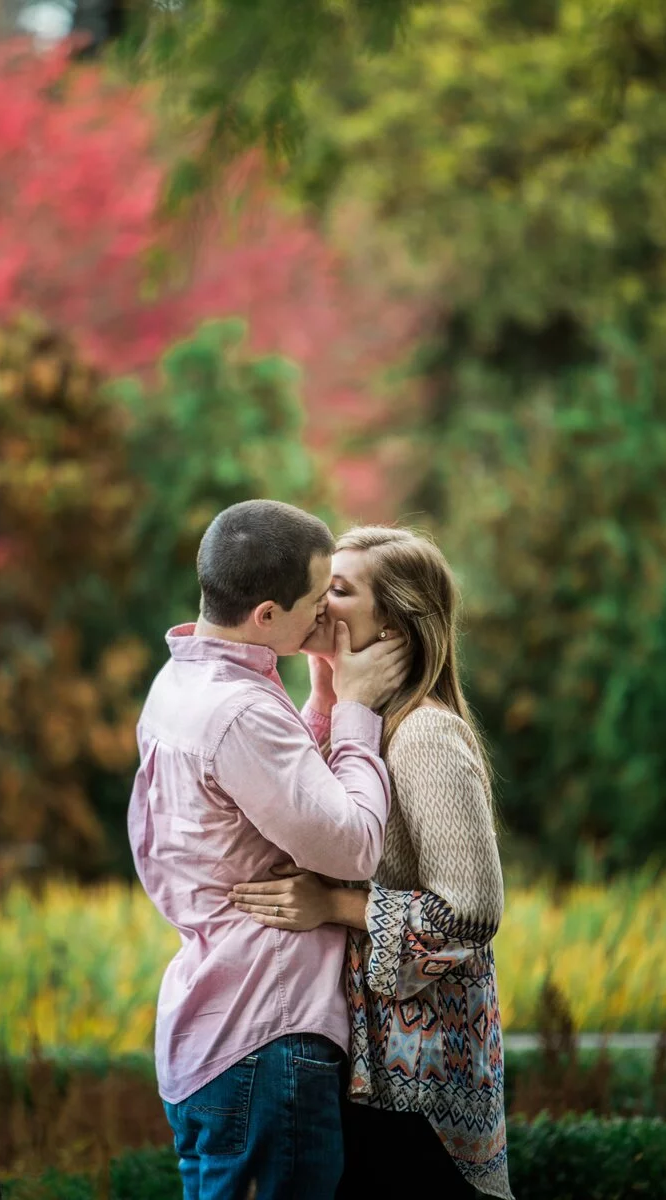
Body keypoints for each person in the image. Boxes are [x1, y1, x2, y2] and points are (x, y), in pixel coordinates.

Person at [127, 501, 410, 1200]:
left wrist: (317, 700)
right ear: (264, 615)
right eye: (316, 603)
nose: (325, 619)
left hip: (217, 1030)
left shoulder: (182, 686)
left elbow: (284, 799)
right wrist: (355, 710)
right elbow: (353, 844)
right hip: (265, 1036)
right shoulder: (240, 713)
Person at [230, 526, 513, 1199]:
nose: (319, 603)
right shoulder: (362, 726)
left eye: (341, 590)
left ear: (395, 622)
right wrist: (328, 691)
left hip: (420, 1083)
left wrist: (331, 906)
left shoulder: (424, 733)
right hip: (369, 1068)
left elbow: (472, 911)